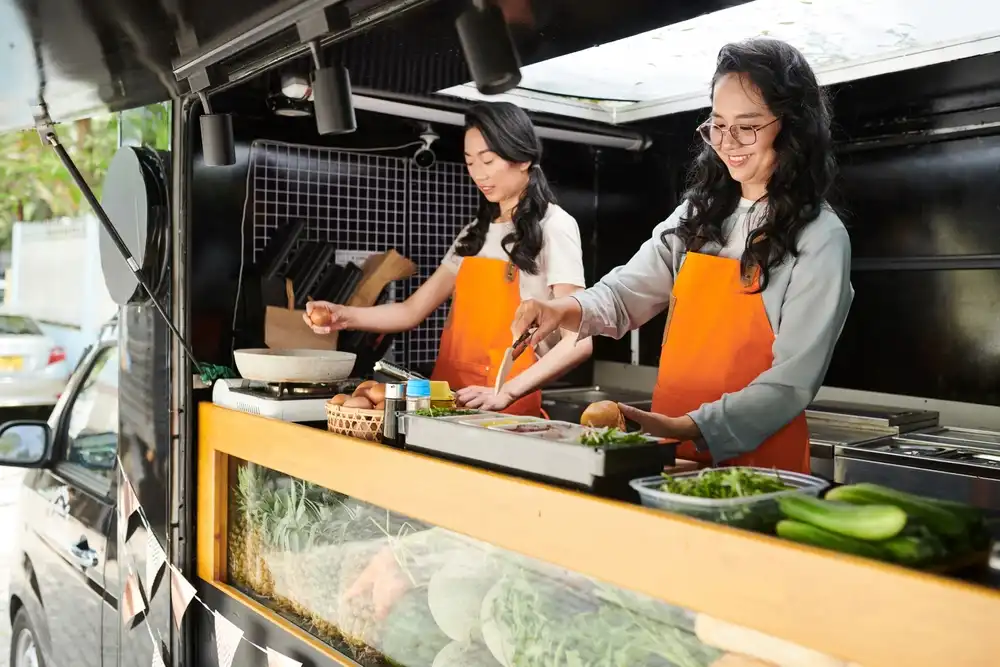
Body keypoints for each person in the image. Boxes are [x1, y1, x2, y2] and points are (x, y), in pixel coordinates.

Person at [512, 38, 854, 473]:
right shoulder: (698, 213)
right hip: (670, 452)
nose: (727, 142)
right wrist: (561, 309)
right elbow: (625, 293)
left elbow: (791, 383)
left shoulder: (820, 237)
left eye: (747, 126)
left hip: (757, 466)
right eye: (718, 125)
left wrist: (690, 426)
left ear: (792, 127)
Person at [305, 101, 591, 415]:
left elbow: (579, 340)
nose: (478, 174)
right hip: (448, 403)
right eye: (470, 162)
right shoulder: (475, 232)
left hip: (506, 410)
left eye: (488, 160)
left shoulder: (555, 226)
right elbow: (411, 310)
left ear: (523, 159)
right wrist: (343, 316)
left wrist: (506, 392)